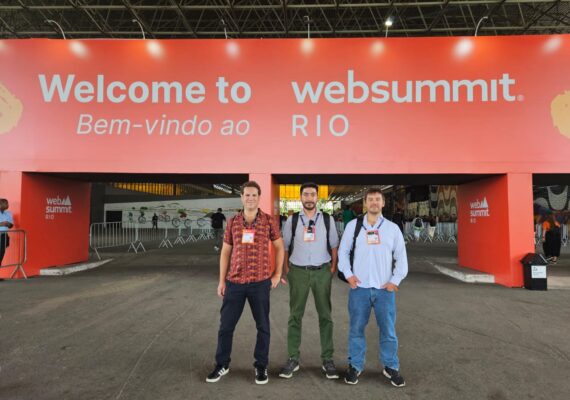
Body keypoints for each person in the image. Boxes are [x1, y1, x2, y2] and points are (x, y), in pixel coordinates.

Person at [206, 181, 284, 385]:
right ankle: (222, 364)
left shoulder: (268, 221)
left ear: (259, 197)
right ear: (241, 197)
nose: (250, 198)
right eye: (247, 195)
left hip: (260, 283)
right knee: (226, 327)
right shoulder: (232, 222)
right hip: (235, 283)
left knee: (263, 326)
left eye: (254, 195)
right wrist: (221, 280)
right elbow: (225, 252)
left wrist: (276, 274)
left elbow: (279, 247)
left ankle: (261, 366)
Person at [338, 187, 408, 388]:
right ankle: (355, 365)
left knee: (388, 330)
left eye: (378, 199)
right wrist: (349, 275)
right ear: (365, 203)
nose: (374, 203)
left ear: (383, 203)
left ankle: (390, 366)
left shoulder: (392, 229)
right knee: (356, 329)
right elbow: (343, 253)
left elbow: (401, 257)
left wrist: (395, 280)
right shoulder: (353, 226)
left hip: (384, 290)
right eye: (370, 199)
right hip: (359, 289)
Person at [279, 182, 340, 380]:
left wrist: (332, 268)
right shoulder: (292, 220)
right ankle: (293, 358)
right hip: (298, 272)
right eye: (306, 194)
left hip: (322, 271)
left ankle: (327, 359)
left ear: (317, 198)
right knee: (295, 316)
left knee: (326, 316)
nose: (309, 198)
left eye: (312, 194)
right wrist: (286, 269)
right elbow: (285, 247)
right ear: (301, 198)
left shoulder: (328, 220)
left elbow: (334, 246)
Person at [0, 198, 14, 268]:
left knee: (1, 253)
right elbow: (2, 224)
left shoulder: (8, 213)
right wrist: (2, 224)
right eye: (5, 203)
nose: (7, 205)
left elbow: (11, 225)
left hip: (4, 236)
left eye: (7, 203)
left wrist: (8, 224)